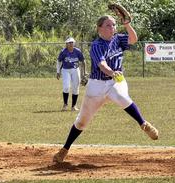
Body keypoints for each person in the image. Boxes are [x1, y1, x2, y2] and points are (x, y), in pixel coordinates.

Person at [53, 14, 159, 164]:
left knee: (121, 96)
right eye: (108, 25)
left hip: (115, 82)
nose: (113, 28)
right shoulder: (97, 45)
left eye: (114, 25)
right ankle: (65, 149)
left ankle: (143, 124)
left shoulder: (118, 39)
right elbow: (102, 65)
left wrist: (127, 24)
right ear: (99, 29)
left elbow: (133, 39)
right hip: (97, 85)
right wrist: (111, 72)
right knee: (82, 122)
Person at [56, 37, 86, 111]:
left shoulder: (77, 51)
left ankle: (74, 106)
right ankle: (65, 105)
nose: (71, 44)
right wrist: (58, 71)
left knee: (75, 87)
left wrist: (84, 72)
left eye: (72, 42)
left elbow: (83, 61)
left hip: (75, 70)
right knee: (66, 87)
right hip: (65, 70)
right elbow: (59, 61)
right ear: (66, 44)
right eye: (69, 43)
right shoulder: (63, 52)